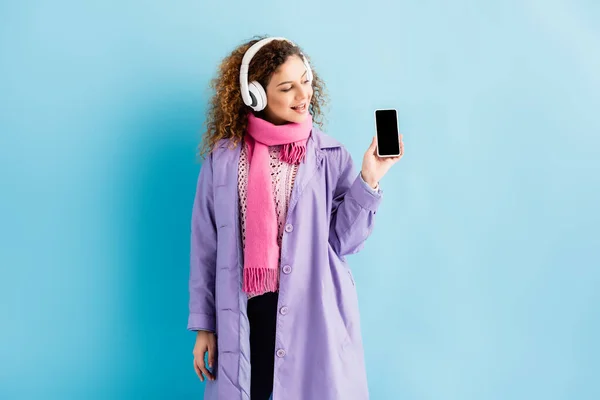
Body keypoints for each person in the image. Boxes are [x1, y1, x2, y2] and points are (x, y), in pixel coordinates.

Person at [188, 36, 404, 400]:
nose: (302, 94)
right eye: (287, 87)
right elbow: (205, 244)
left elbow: (343, 240)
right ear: (255, 94)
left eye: (305, 80)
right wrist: (204, 326)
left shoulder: (329, 156)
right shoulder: (223, 160)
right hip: (243, 311)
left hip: (310, 309)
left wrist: (369, 179)